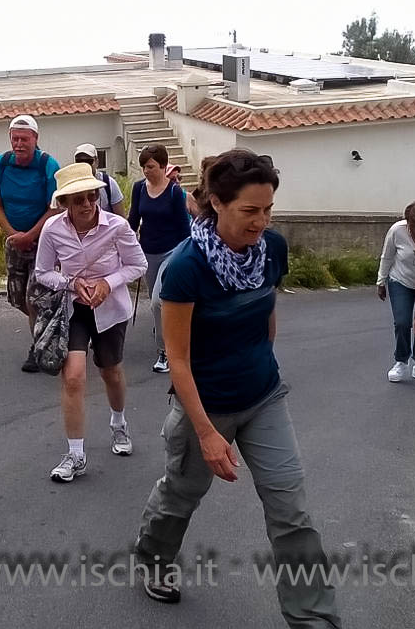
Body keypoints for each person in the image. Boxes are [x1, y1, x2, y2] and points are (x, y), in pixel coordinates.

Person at [134, 150, 340, 626]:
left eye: (268, 209)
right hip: (204, 407)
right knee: (179, 496)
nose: (261, 221)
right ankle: (154, 557)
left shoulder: (273, 249)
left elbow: (266, 311)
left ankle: (313, 617)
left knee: (292, 512)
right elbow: (178, 361)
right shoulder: (185, 269)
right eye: (250, 211)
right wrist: (206, 433)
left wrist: (261, 360)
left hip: (264, 397)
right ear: (216, 203)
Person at [34, 163, 147, 482]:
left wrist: (106, 284)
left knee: (110, 371)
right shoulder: (52, 229)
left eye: (91, 197)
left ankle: (119, 423)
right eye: (78, 199)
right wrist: (71, 283)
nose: (86, 205)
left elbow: (137, 265)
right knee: (73, 377)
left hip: (110, 308)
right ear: (65, 203)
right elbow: (43, 272)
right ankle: (75, 454)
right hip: (74, 310)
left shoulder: (117, 226)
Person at [0, 115, 62, 372]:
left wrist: (30, 235)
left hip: (43, 242)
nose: (19, 144)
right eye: (15, 138)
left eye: (24, 139)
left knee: (34, 298)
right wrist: (13, 235)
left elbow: (54, 209)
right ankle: (51, 324)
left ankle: (38, 347)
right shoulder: (1, 164)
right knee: (18, 297)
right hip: (14, 241)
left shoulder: (48, 166)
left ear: (35, 139)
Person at [128, 144, 191, 373]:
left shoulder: (174, 193)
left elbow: (185, 229)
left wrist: (186, 256)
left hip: (171, 253)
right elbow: (133, 219)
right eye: (144, 166)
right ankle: (173, 331)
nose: (146, 170)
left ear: (164, 166)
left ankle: (164, 353)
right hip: (147, 253)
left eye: (151, 166)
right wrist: (124, 244)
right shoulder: (139, 189)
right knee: (162, 305)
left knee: (157, 301)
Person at [377, 201, 415, 384]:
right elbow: (387, 256)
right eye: (414, 225)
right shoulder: (397, 230)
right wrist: (381, 281)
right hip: (401, 281)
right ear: (407, 221)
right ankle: (401, 360)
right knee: (403, 322)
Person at [73, 143, 124, 215]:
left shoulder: (108, 183)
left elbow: (121, 218)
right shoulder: (71, 185)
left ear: (97, 162)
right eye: (79, 161)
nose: (84, 165)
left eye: (88, 161)